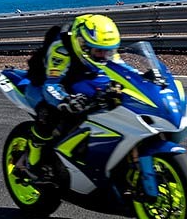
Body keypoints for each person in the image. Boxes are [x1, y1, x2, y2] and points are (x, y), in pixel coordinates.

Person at [15, 13, 123, 180]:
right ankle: (32, 161)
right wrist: (66, 100)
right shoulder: (61, 48)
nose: (104, 56)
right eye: (99, 51)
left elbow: (120, 67)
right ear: (82, 45)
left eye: (109, 51)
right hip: (42, 84)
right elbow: (50, 86)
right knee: (48, 114)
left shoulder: (102, 48)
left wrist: (144, 79)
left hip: (77, 80)